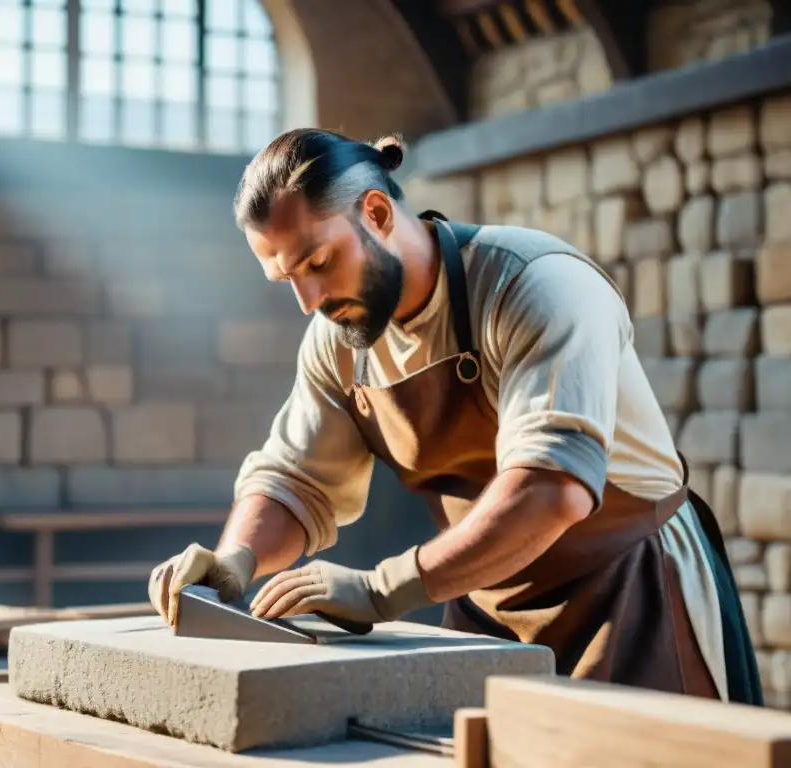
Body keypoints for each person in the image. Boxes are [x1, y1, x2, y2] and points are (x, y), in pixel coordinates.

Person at [147, 128, 763, 704]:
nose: (308, 301)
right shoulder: (339, 338)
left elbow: (553, 491)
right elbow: (294, 480)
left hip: (631, 588)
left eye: (316, 262)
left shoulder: (535, 285)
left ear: (378, 215)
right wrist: (236, 561)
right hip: (483, 593)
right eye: (285, 278)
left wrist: (380, 589)